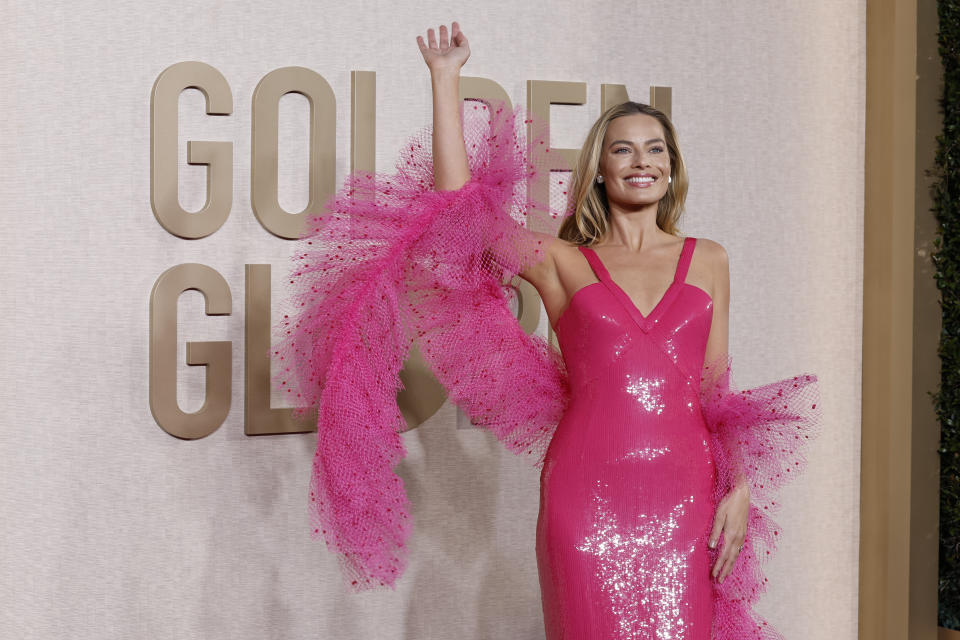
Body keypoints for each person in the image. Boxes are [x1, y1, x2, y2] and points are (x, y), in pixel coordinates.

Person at [275, 20, 820, 640]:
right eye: (623, 149)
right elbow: (463, 218)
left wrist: (740, 483)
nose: (641, 161)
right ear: (599, 170)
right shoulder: (565, 263)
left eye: (655, 148)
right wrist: (445, 78)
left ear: (672, 167)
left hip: (689, 501)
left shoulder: (711, 259)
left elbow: (718, 392)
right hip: (585, 502)